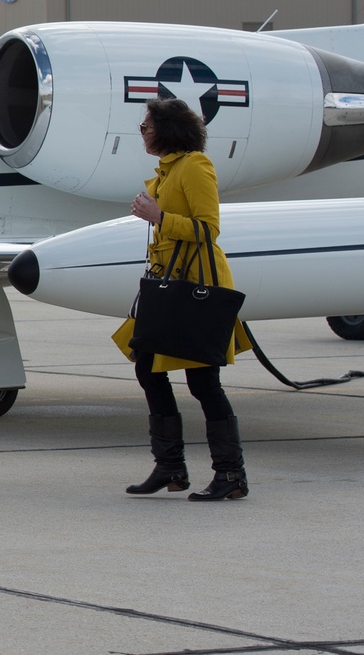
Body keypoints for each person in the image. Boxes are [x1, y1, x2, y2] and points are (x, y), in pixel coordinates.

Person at [113, 97, 252, 501]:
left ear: (167, 129)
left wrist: (159, 218)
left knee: (203, 381)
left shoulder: (195, 166)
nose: (142, 132)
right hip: (168, 285)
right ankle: (171, 467)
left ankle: (230, 474)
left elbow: (208, 230)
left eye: (146, 126)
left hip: (194, 287)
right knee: (148, 368)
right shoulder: (169, 169)